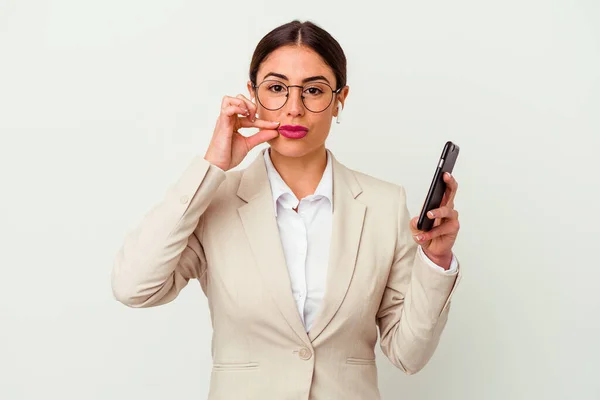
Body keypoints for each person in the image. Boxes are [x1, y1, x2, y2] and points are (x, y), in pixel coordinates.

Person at [111, 19, 462, 400]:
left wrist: (436, 261)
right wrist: (211, 167)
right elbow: (133, 287)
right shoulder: (215, 202)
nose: (294, 109)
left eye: (313, 90)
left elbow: (409, 354)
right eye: (277, 88)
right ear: (252, 94)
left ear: (340, 99)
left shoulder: (383, 204)